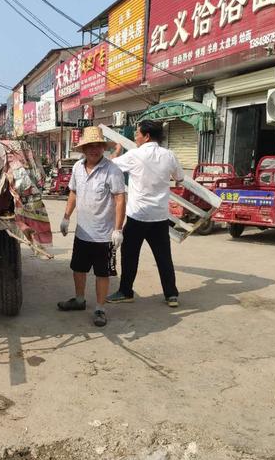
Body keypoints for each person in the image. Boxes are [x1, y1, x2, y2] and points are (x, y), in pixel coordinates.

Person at [107, 120, 185, 308]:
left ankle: (126, 291)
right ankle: (171, 295)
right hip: (159, 216)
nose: (135, 136)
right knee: (164, 257)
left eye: (137, 133)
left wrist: (117, 149)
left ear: (147, 136)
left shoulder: (135, 155)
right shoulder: (169, 155)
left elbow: (109, 166)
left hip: (138, 216)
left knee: (130, 254)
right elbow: (180, 178)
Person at [58, 126, 126, 327]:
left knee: (102, 273)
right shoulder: (78, 167)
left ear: (103, 148)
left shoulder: (112, 170)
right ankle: (79, 300)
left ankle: (100, 308)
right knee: (78, 269)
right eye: (90, 146)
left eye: (98, 146)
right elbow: (73, 193)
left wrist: (118, 229)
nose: (94, 150)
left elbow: (120, 199)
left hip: (105, 236)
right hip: (83, 232)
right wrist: (66, 217)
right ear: (84, 149)